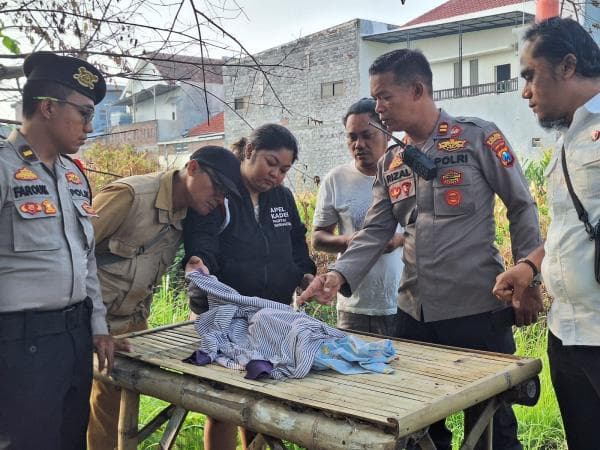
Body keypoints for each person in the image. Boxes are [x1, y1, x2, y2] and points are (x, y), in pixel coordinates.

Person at [298, 49, 541, 450]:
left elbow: (521, 205)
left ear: (417, 89)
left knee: (491, 428)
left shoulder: (478, 136)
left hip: (477, 310)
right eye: (374, 99)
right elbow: (375, 231)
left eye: (384, 97)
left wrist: (529, 277)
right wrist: (338, 276)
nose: (377, 108)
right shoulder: (392, 160)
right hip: (414, 316)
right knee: (420, 430)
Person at [86, 146, 241, 450]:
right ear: (193, 168)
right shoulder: (132, 196)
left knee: (117, 403)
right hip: (92, 320)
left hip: (132, 321)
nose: (219, 199)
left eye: (225, 194)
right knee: (89, 407)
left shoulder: (190, 214)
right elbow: (74, 251)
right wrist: (92, 327)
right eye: (217, 187)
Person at [493, 17, 600, 450]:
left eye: (529, 75)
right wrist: (530, 266)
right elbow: (570, 227)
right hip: (567, 336)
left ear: (568, 65)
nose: (524, 92)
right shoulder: (566, 139)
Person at [0, 51, 114, 450]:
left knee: (70, 439)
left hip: (73, 335)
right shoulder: (3, 167)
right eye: (84, 113)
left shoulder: (73, 174)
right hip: (18, 342)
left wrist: (98, 326)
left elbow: (86, 259)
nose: (90, 126)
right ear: (47, 108)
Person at [183, 123, 316, 450]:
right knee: (224, 407)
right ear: (249, 152)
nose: (277, 175)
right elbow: (204, 239)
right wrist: (200, 261)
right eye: (271, 163)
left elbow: (297, 244)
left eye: (284, 169)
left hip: (273, 316)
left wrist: (306, 275)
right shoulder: (221, 192)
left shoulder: (283, 198)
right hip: (227, 318)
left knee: (266, 399)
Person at [312, 98, 404, 335]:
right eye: (352, 137)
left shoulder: (407, 174)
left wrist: (400, 240)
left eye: (366, 135)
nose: (358, 144)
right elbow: (319, 237)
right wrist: (349, 241)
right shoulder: (336, 179)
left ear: (387, 133)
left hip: (404, 304)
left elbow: (430, 227)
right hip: (353, 306)